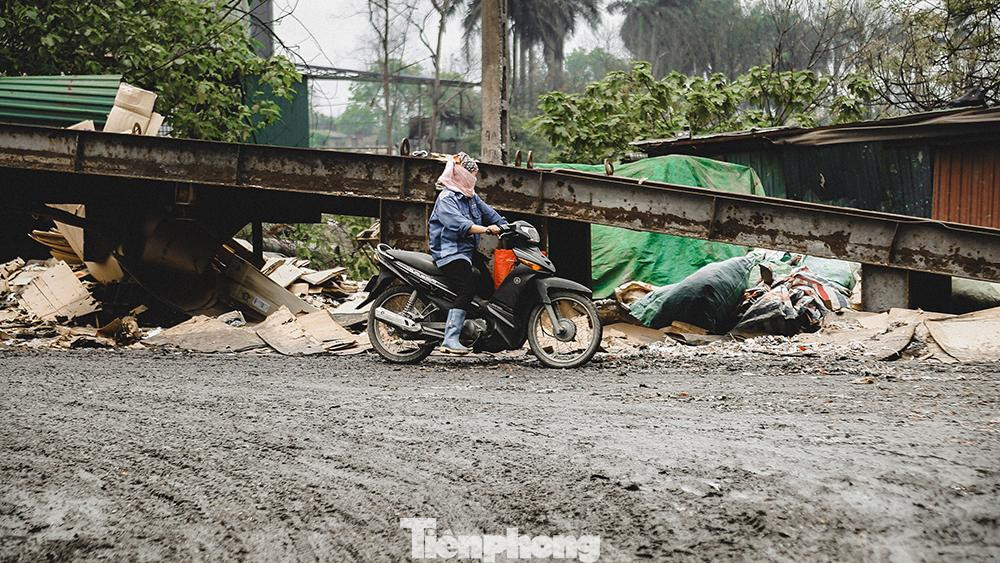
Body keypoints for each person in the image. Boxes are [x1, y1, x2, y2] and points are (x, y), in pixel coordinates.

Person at [428, 152, 508, 355]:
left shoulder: (470, 197)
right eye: (472, 174)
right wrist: (486, 229)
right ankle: (450, 338)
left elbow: (490, 213)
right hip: (449, 253)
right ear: (462, 174)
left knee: (488, 287)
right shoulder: (447, 198)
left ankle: (481, 335)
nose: (474, 178)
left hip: (467, 251)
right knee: (467, 287)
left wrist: (508, 226)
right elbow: (459, 224)